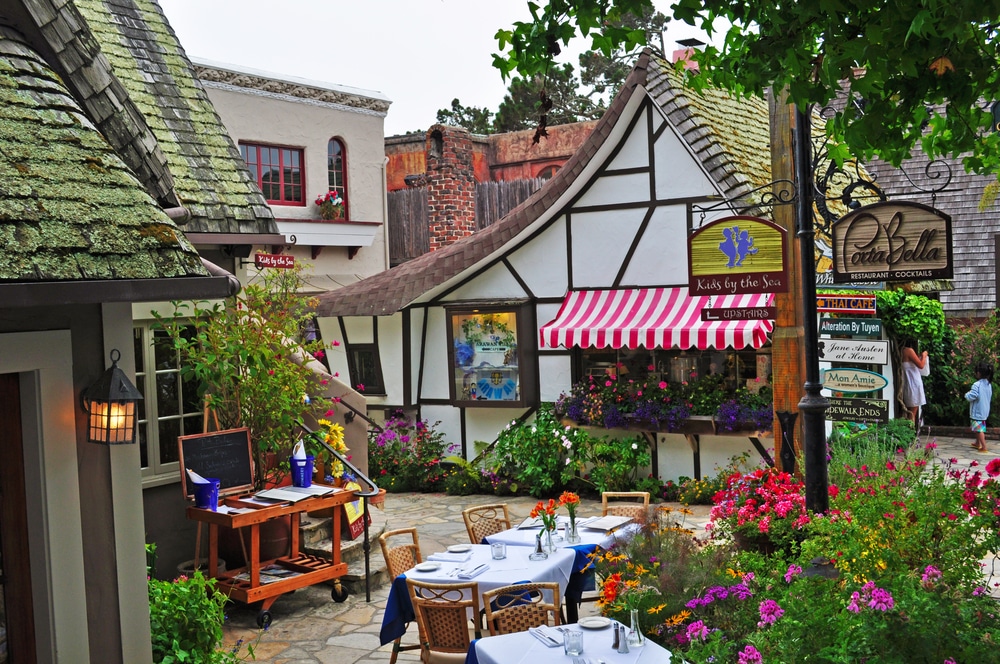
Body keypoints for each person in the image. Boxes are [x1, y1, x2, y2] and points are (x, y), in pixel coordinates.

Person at [965, 361, 994, 453]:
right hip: (984, 410)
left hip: (977, 411)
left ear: (979, 373)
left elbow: (972, 396)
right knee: (977, 427)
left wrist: (967, 395)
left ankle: (984, 446)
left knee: (979, 430)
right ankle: (977, 443)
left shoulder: (976, 385)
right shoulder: (988, 384)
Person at [900, 343, 928, 425]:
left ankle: (908, 431)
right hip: (914, 383)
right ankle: (911, 433)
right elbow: (921, 365)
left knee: (908, 410)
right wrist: (924, 355)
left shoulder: (901, 351)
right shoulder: (909, 350)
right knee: (912, 412)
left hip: (906, 383)